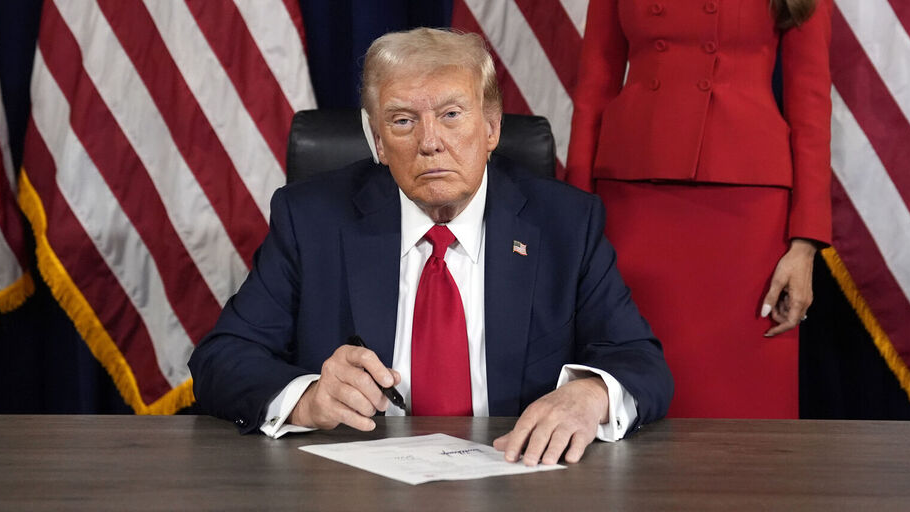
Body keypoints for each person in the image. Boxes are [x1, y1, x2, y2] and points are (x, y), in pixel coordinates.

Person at [190, 27, 672, 466]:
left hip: (518, 476)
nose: (430, 142)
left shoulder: (565, 224)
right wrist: (306, 397)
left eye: (451, 115)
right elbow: (221, 359)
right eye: (402, 121)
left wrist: (590, 395)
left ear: (491, 129)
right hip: (357, 486)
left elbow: (641, 362)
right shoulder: (312, 220)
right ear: (378, 141)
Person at [565, 0, 831, 418]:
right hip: (635, 199)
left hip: (748, 209)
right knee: (630, 389)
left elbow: (810, 96)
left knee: (744, 403)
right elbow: (595, 81)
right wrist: (575, 216)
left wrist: (805, 244)